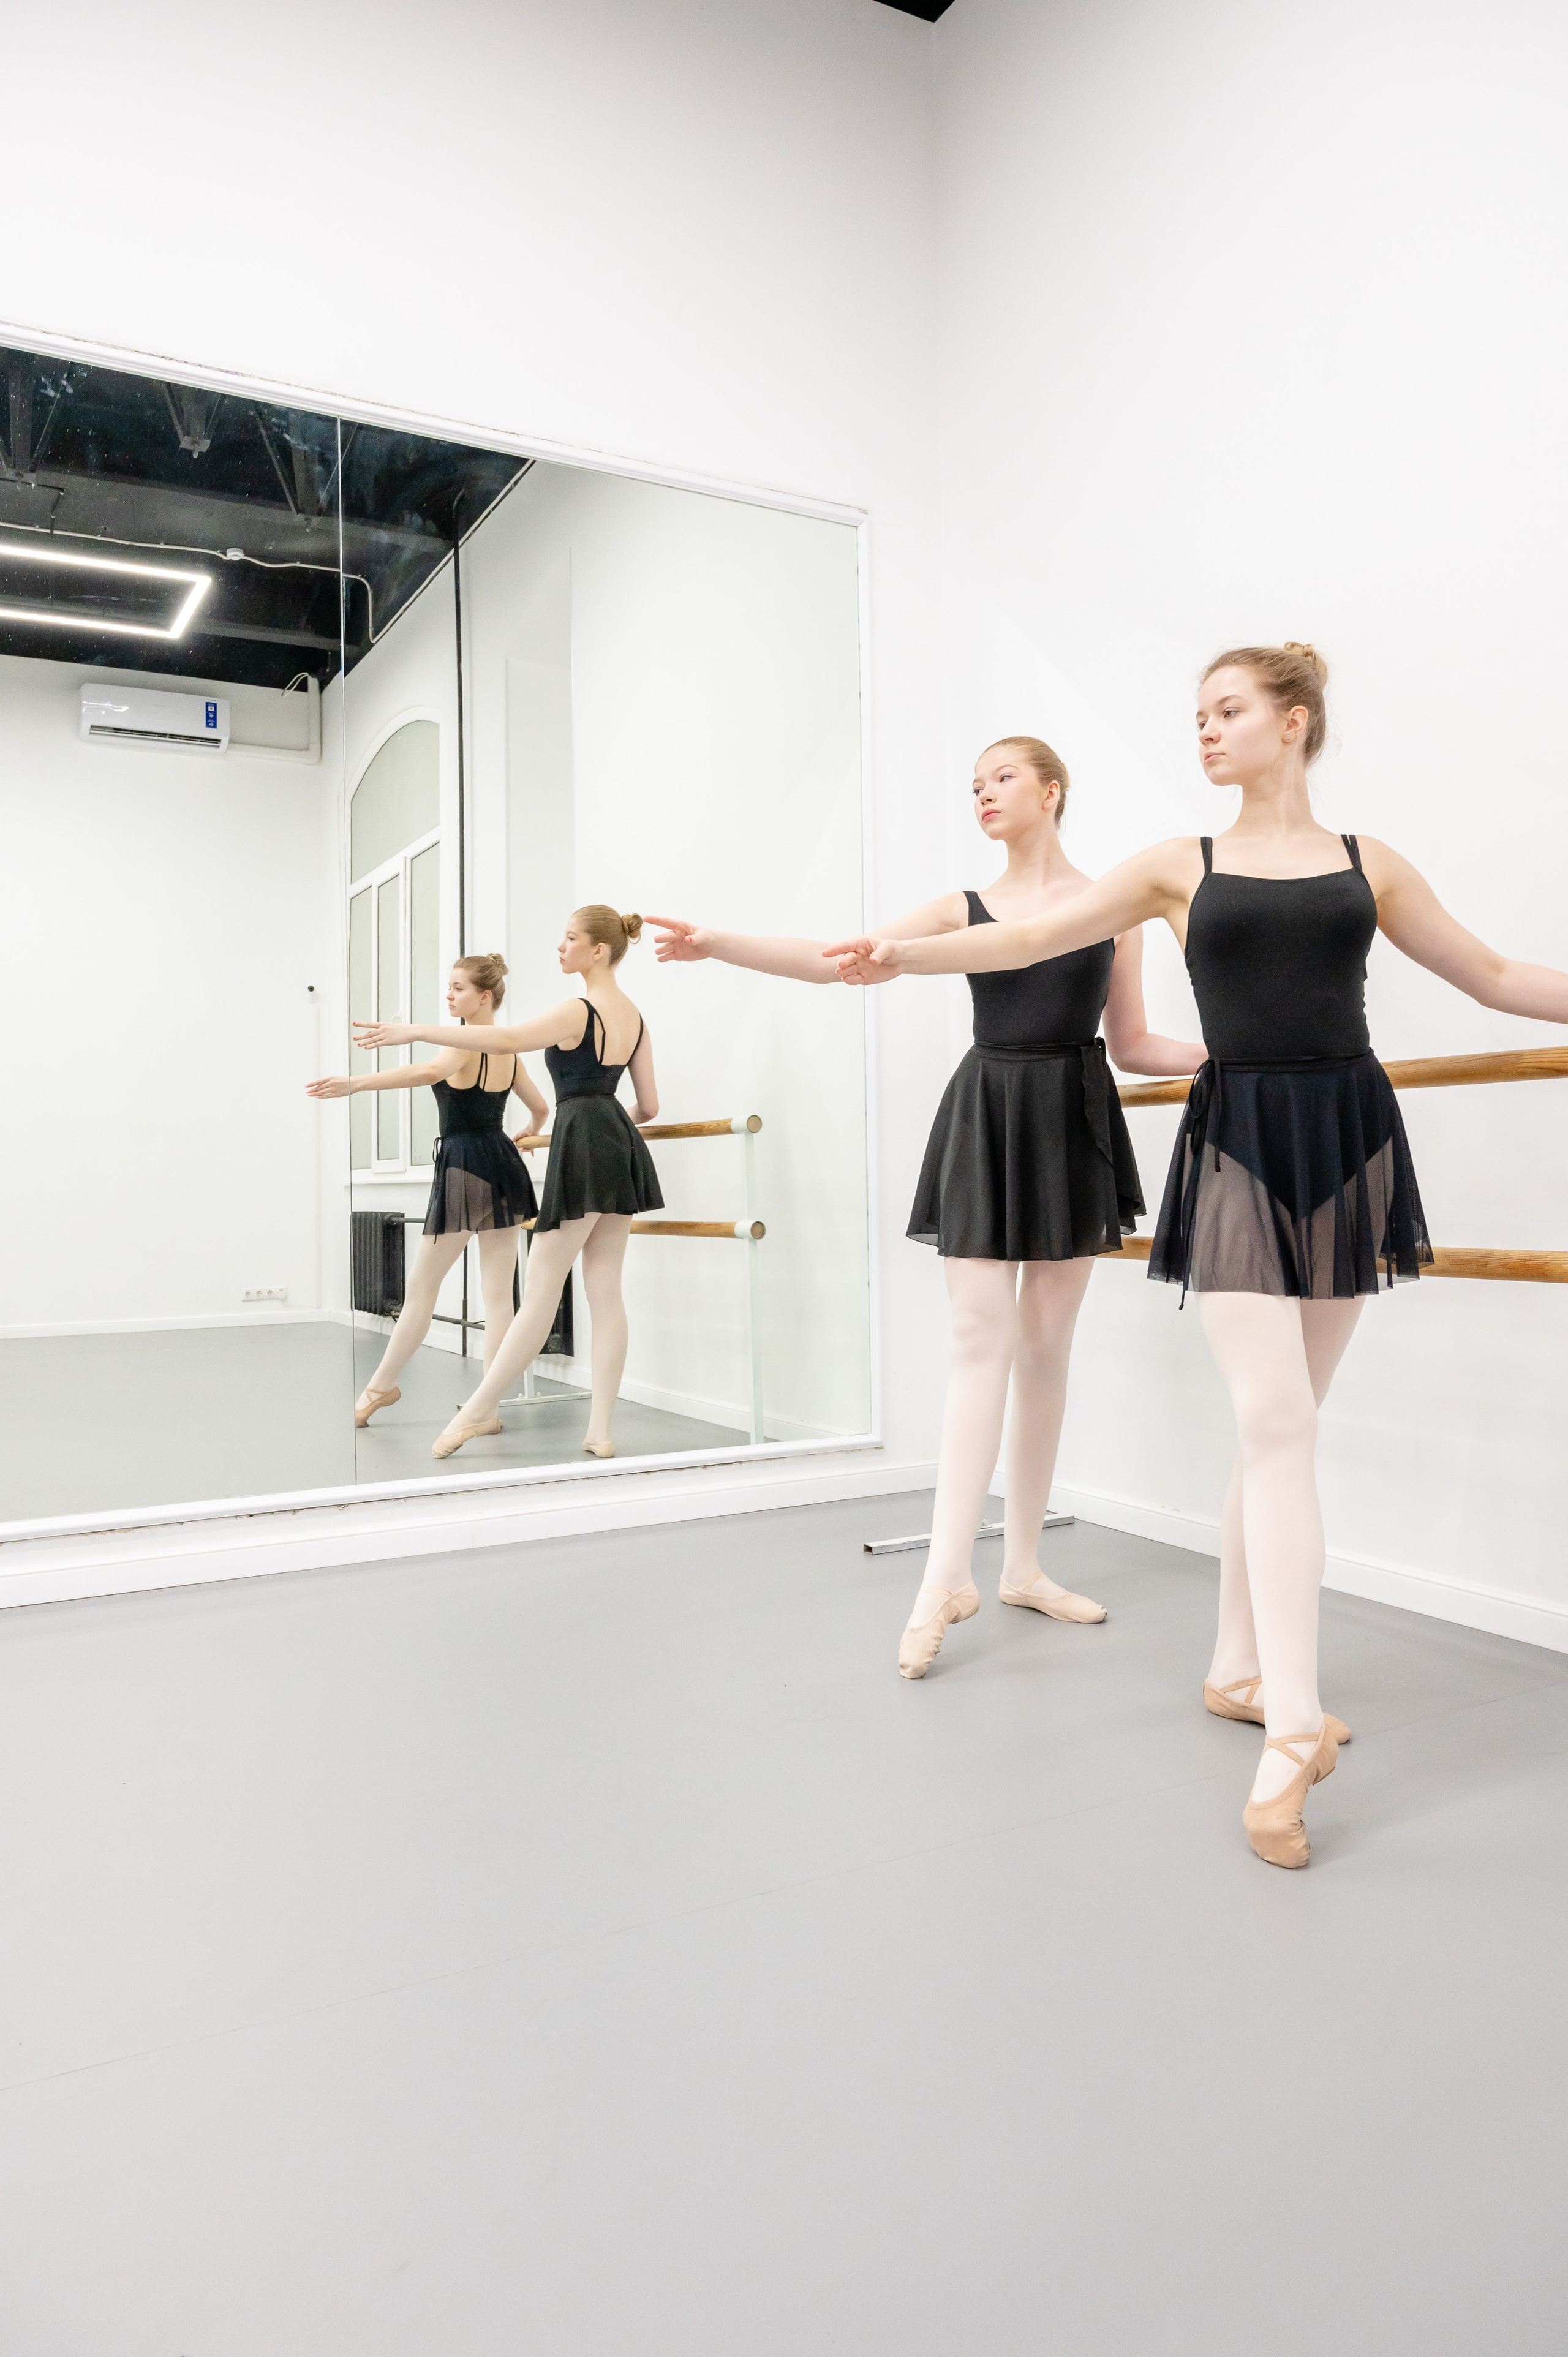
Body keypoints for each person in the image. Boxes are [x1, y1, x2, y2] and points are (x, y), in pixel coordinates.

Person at [829, 646, 1568, 1865]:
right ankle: (1289, 1728)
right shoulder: (1182, 863)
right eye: (1196, 717)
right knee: (1273, 1425)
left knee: (1285, 1428)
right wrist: (894, 955)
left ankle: (1236, 1663)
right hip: (1233, 1142)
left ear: (1293, 724)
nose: (1205, 733)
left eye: (1226, 713)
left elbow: (1489, 974)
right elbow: (1031, 942)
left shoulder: (1364, 863)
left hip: (1345, 1139)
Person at [649, 736, 1205, 1676]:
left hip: (1073, 1116)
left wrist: (1230, 1057)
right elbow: (843, 961)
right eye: (975, 785)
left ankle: (1024, 1565)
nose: (983, 795)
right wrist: (718, 944)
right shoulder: (963, 907)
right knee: (979, 1341)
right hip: (990, 1112)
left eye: (1002, 778)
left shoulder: (1115, 908)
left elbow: (1136, 1041)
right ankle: (947, 1573)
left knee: (1046, 1349)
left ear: (1052, 790)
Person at [354, 907, 662, 1461]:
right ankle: (600, 1433)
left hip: (583, 1140)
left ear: (598, 950)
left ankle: (476, 1413)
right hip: (618, 1142)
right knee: (605, 1290)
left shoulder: (578, 1009)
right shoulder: (636, 1018)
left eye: (570, 939)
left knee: (540, 1291)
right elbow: (650, 1107)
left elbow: (508, 1038)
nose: (560, 947)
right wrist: (607, 1129)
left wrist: (414, 1030)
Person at [308, 952, 547, 1428]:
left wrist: (355, 1083)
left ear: (484, 997)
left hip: (465, 1168)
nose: (449, 995)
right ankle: (488, 1408)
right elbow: (540, 1109)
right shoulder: (509, 1050)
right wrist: (525, 1134)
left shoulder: (462, 1044)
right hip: (502, 1164)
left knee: (421, 1289)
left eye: (457, 988)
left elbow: (425, 1073)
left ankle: (381, 1387)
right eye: (449, 986)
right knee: (500, 1296)